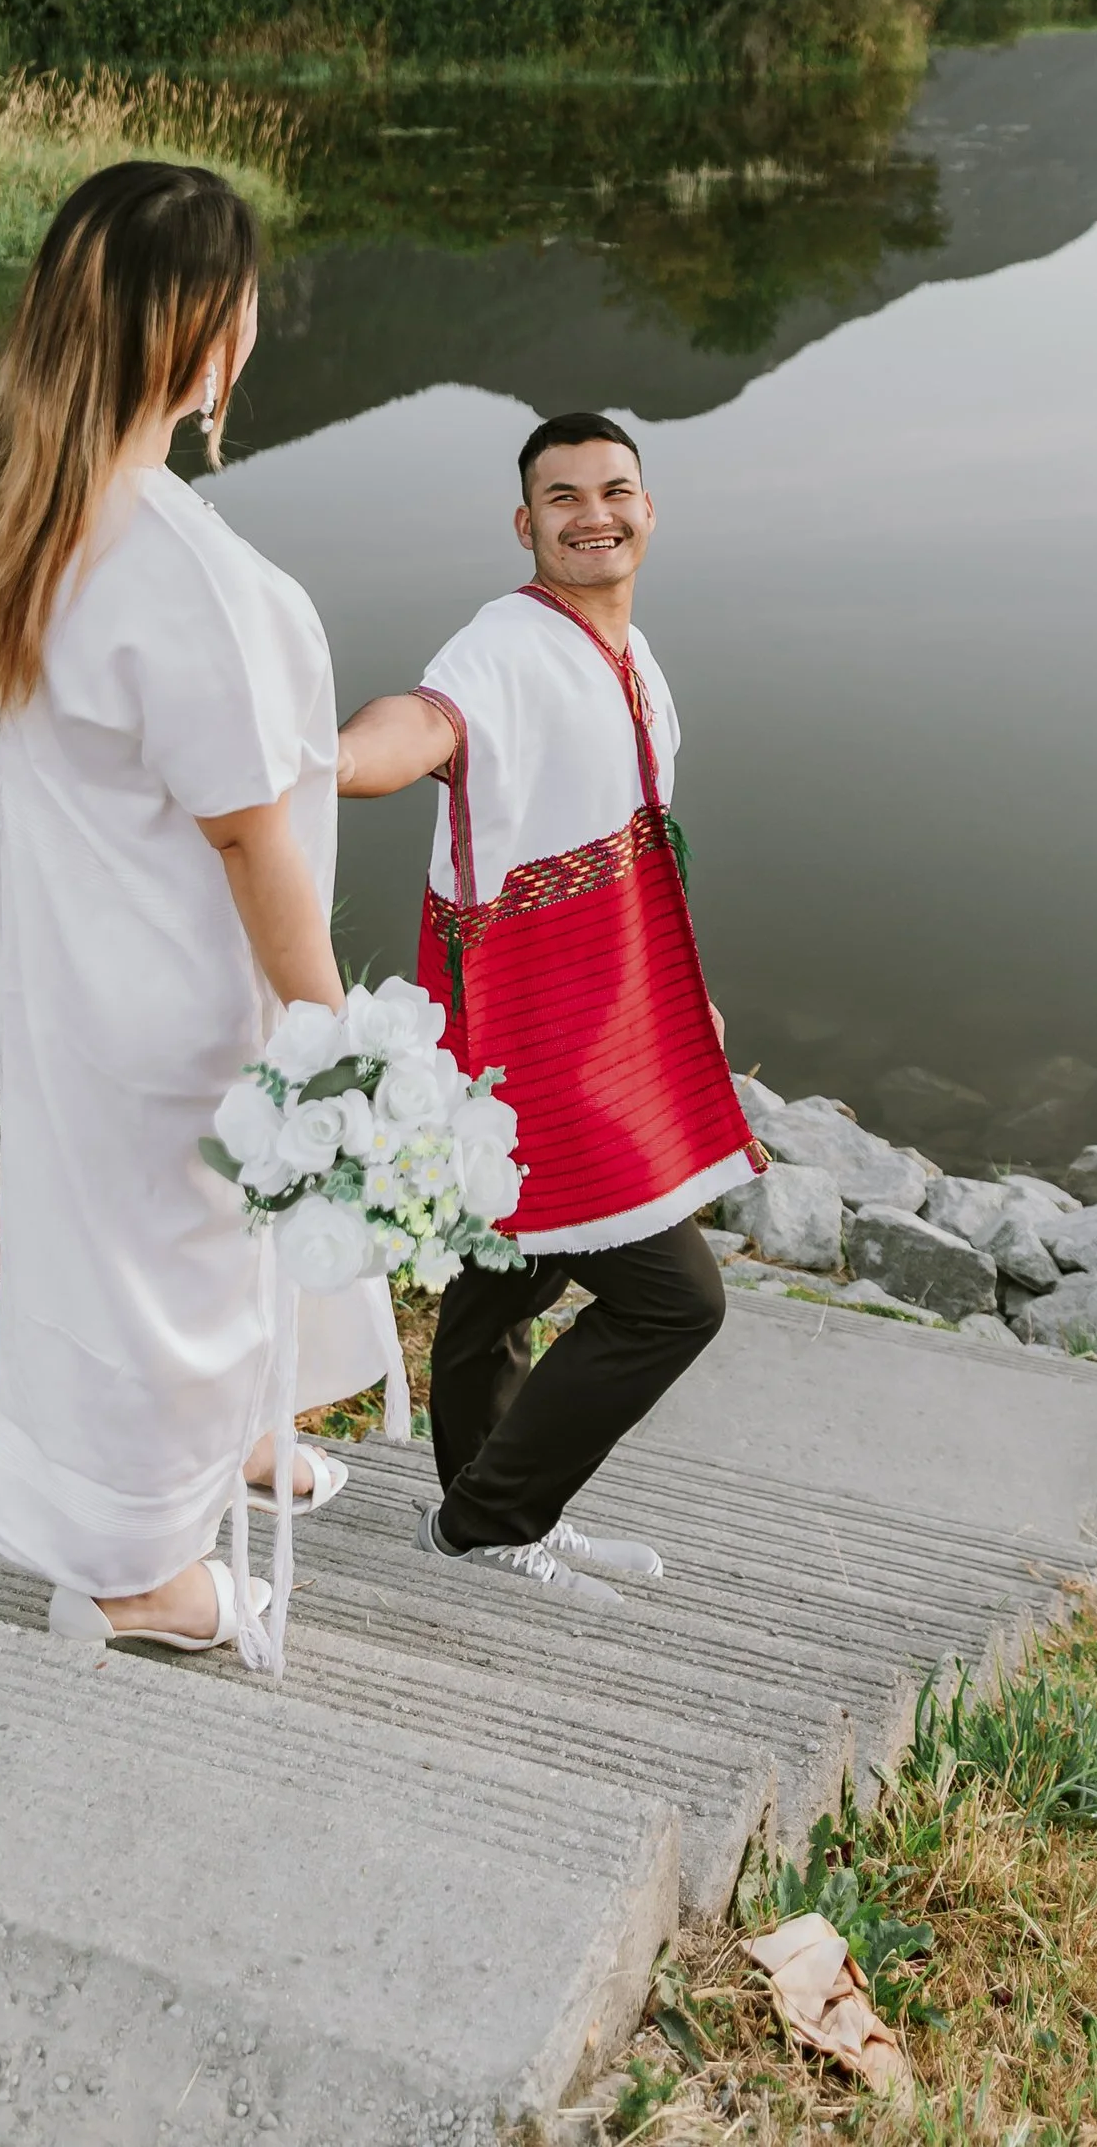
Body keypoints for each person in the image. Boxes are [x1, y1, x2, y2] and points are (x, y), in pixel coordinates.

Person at [0, 159, 398, 1654]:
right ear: (211, 342)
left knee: (99, 1250)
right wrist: (332, 1039)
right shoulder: (183, 567)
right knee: (174, 1271)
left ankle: (232, 1441)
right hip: (172, 987)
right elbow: (257, 844)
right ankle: (136, 1574)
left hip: (56, 960)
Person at [337, 411, 755, 1608]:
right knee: (676, 1299)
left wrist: (692, 997)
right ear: (526, 527)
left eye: (613, 490)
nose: (593, 514)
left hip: (605, 1021)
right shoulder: (504, 647)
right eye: (562, 498)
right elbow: (423, 725)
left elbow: (642, 850)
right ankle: (490, 1517)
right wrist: (314, 761)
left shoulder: (634, 658)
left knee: (504, 1272)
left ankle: (487, 1508)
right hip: (528, 1035)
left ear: (648, 509)